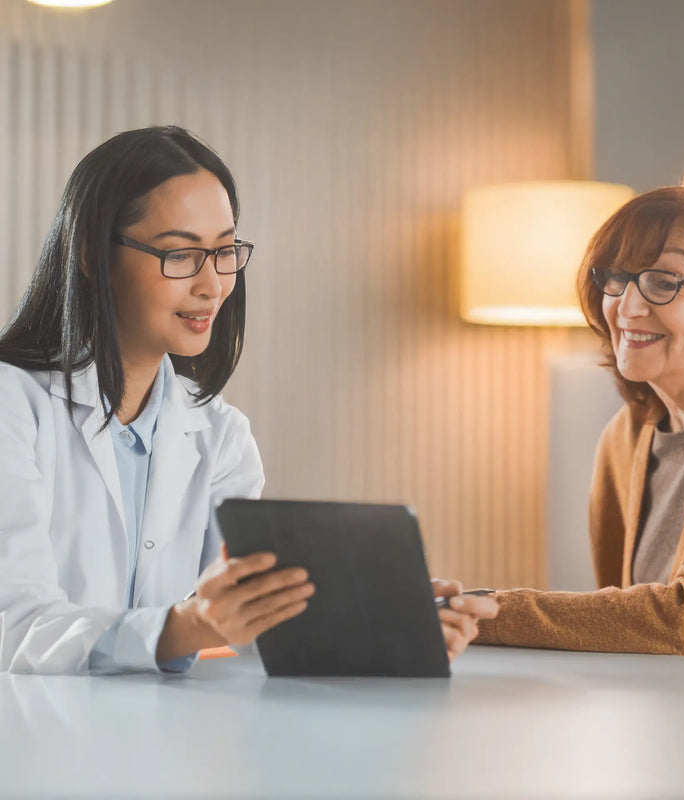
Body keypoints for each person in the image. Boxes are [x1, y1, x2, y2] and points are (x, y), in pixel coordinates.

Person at [0, 125, 497, 674]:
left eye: (224, 251)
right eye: (181, 254)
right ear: (92, 255)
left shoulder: (222, 436)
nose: (213, 285)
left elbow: (246, 621)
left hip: (159, 746)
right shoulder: (13, 406)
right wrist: (186, 627)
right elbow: (16, 627)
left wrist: (384, 617)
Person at [476, 178, 684, 668]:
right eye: (617, 278)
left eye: (664, 282)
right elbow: (631, 632)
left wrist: (486, 612)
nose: (626, 306)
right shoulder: (625, 436)